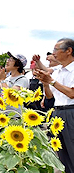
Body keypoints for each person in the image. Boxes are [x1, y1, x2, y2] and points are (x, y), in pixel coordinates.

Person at [33, 38, 74, 172]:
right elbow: (51, 96)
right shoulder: (58, 71)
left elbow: (71, 94)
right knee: (62, 155)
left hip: (71, 112)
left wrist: (51, 82)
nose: (53, 53)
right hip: (58, 113)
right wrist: (45, 83)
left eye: (56, 49)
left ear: (69, 51)